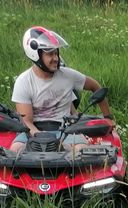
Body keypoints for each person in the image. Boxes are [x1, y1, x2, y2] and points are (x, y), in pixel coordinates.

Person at [11, 26, 114, 154]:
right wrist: (43, 139)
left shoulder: (69, 76)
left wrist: (108, 117)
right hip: (33, 131)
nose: (56, 58)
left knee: (81, 151)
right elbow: (26, 122)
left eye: (56, 53)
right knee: (16, 150)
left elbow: (95, 87)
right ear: (35, 54)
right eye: (50, 54)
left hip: (67, 130)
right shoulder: (23, 81)